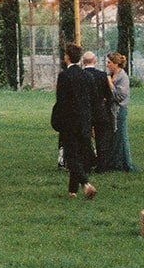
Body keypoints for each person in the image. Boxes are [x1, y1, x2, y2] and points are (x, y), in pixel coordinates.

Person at [52, 43, 98, 200]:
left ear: (66, 57)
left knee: (71, 156)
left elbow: (61, 101)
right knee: (79, 154)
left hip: (69, 121)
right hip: (85, 120)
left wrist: (57, 121)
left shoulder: (64, 76)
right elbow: (93, 100)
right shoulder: (87, 76)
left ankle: (86, 184)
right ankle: (72, 190)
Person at [83, 50, 114, 170]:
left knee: (85, 138)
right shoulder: (102, 75)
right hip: (100, 111)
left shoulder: (81, 75)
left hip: (85, 112)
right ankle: (102, 164)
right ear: (95, 61)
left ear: (83, 62)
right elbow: (109, 94)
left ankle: (87, 163)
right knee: (101, 139)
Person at [104, 52, 135, 171]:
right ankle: (114, 162)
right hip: (111, 110)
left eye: (109, 62)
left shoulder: (123, 77)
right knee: (113, 137)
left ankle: (125, 163)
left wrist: (110, 84)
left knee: (121, 136)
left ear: (116, 64)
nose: (107, 65)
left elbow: (120, 96)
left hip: (120, 110)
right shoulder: (112, 74)